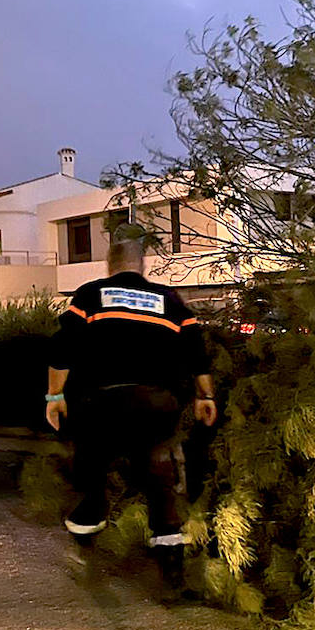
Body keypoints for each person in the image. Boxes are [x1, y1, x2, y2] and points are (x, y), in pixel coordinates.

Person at [45, 225, 216, 560]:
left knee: (93, 451)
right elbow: (197, 353)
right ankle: (167, 532)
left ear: (109, 265)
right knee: (156, 457)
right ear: (142, 265)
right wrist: (205, 397)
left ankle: (92, 512)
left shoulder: (91, 295)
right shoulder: (170, 300)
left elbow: (62, 349)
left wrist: (54, 397)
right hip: (158, 401)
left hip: (102, 401)